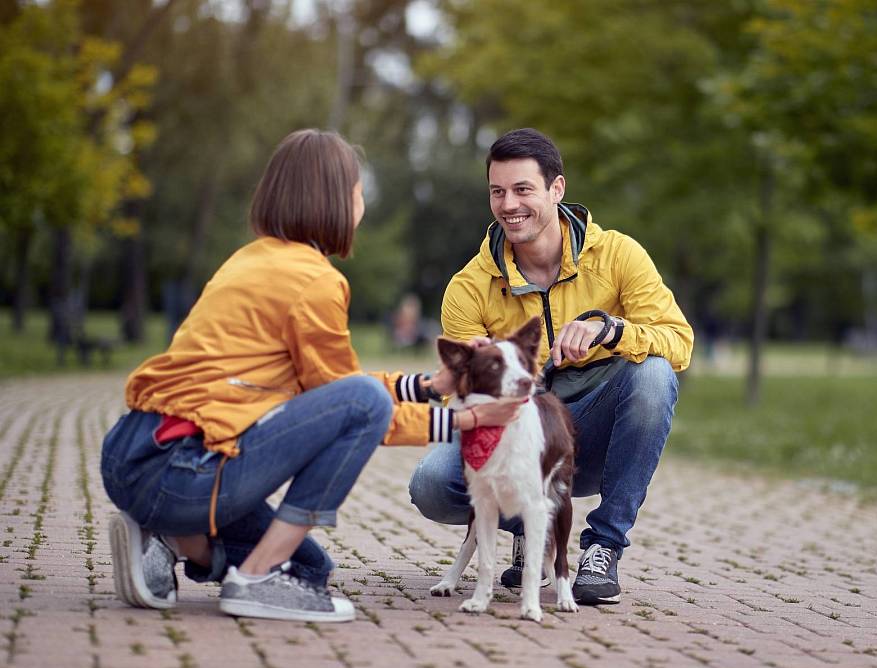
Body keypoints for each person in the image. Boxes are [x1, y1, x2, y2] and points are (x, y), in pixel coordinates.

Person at [100, 129, 520, 623]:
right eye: (358, 189)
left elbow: (328, 387)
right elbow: (361, 407)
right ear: (337, 200)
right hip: (180, 468)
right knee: (363, 403)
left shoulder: (250, 258)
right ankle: (251, 579)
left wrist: (428, 387)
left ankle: (173, 539)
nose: (361, 200)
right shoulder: (315, 281)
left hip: (133, 451)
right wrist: (468, 423)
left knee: (309, 568)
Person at [408, 128, 694, 606]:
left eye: (523, 190)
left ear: (556, 190)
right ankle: (524, 525)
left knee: (654, 375)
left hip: (593, 430)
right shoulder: (469, 287)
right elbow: (454, 394)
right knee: (432, 484)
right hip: (515, 428)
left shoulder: (618, 255)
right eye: (497, 192)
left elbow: (679, 341)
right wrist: (476, 370)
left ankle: (603, 547)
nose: (509, 204)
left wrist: (612, 330)